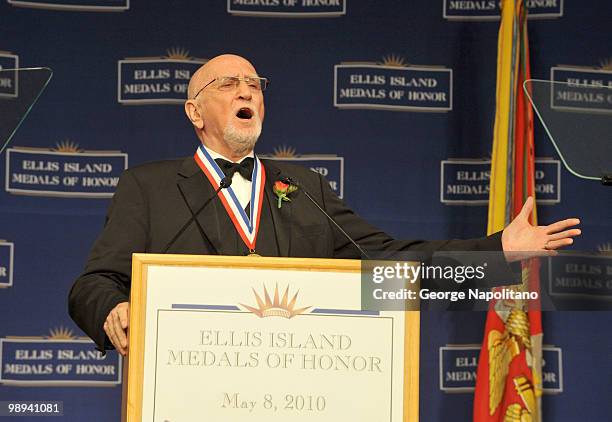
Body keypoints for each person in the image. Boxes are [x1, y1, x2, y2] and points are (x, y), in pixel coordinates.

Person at [68, 54, 581, 356]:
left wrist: (498, 254)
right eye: (227, 84)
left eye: (255, 84)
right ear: (194, 111)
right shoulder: (150, 187)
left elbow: (391, 264)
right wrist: (113, 308)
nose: (246, 90)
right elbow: (93, 283)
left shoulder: (303, 186)